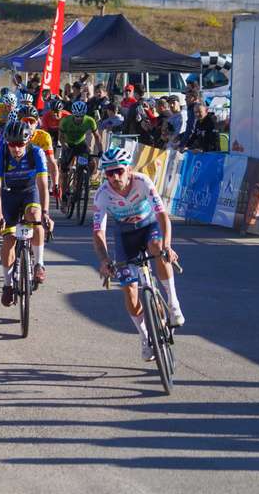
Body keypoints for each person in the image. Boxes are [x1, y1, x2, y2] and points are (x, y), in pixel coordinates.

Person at [92, 147, 185, 362]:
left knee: (157, 247)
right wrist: (105, 260)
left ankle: (173, 303)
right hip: (125, 236)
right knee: (130, 293)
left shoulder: (143, 182)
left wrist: (168, 246)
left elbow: (162, 215)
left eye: (119, 171)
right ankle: (144, 337)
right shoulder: (102, 194)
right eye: (109, 173)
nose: (115, 177)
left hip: (148, 227)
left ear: (129, 169)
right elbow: (98, 231)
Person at [0, 121, 52, 304]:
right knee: (8, 241)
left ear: (27, 142)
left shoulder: (36, 153)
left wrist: (46, 212)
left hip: (29, 191)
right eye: (12, 144)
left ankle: (39, 263)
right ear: (6, 143)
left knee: (36, 216)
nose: (16, 149)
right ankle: (7, 284)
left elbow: (42, 184)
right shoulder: (0, 155)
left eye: (20, 145)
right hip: (9, 194)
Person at [58, 100, 101, 196]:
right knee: (65, 172)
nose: (79, 118)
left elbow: (97, 137)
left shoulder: (90, 121)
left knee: (92, 163)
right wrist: (65, 146)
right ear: (73, 114)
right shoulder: (65, 121)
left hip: (81, 144)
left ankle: (83, 179)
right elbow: (60, 138)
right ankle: (64, 195)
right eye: (77, 116)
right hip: (68, 145)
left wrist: (101, 150)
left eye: (81, 116)